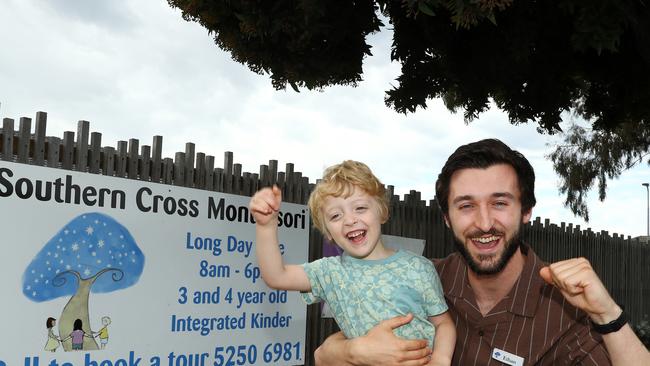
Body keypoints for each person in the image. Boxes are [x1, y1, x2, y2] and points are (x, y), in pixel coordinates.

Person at [314, 139, 650, 366]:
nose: (484, 222)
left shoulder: (564, 303)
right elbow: (324, 354)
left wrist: (608, 315)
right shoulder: (418, 277)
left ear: (526, 210)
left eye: (500, 203)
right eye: (466, 206)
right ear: (447, 218)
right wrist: (354, 350)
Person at [250, 160, 456, 365]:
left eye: (359, 208)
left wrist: (440, 359)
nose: (349, 220)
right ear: (328, 233)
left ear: (382, 211)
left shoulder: (418, 267)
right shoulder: (329, 272)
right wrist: (266, 227)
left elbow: (443, 324)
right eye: (336, 215)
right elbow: (277, 276)